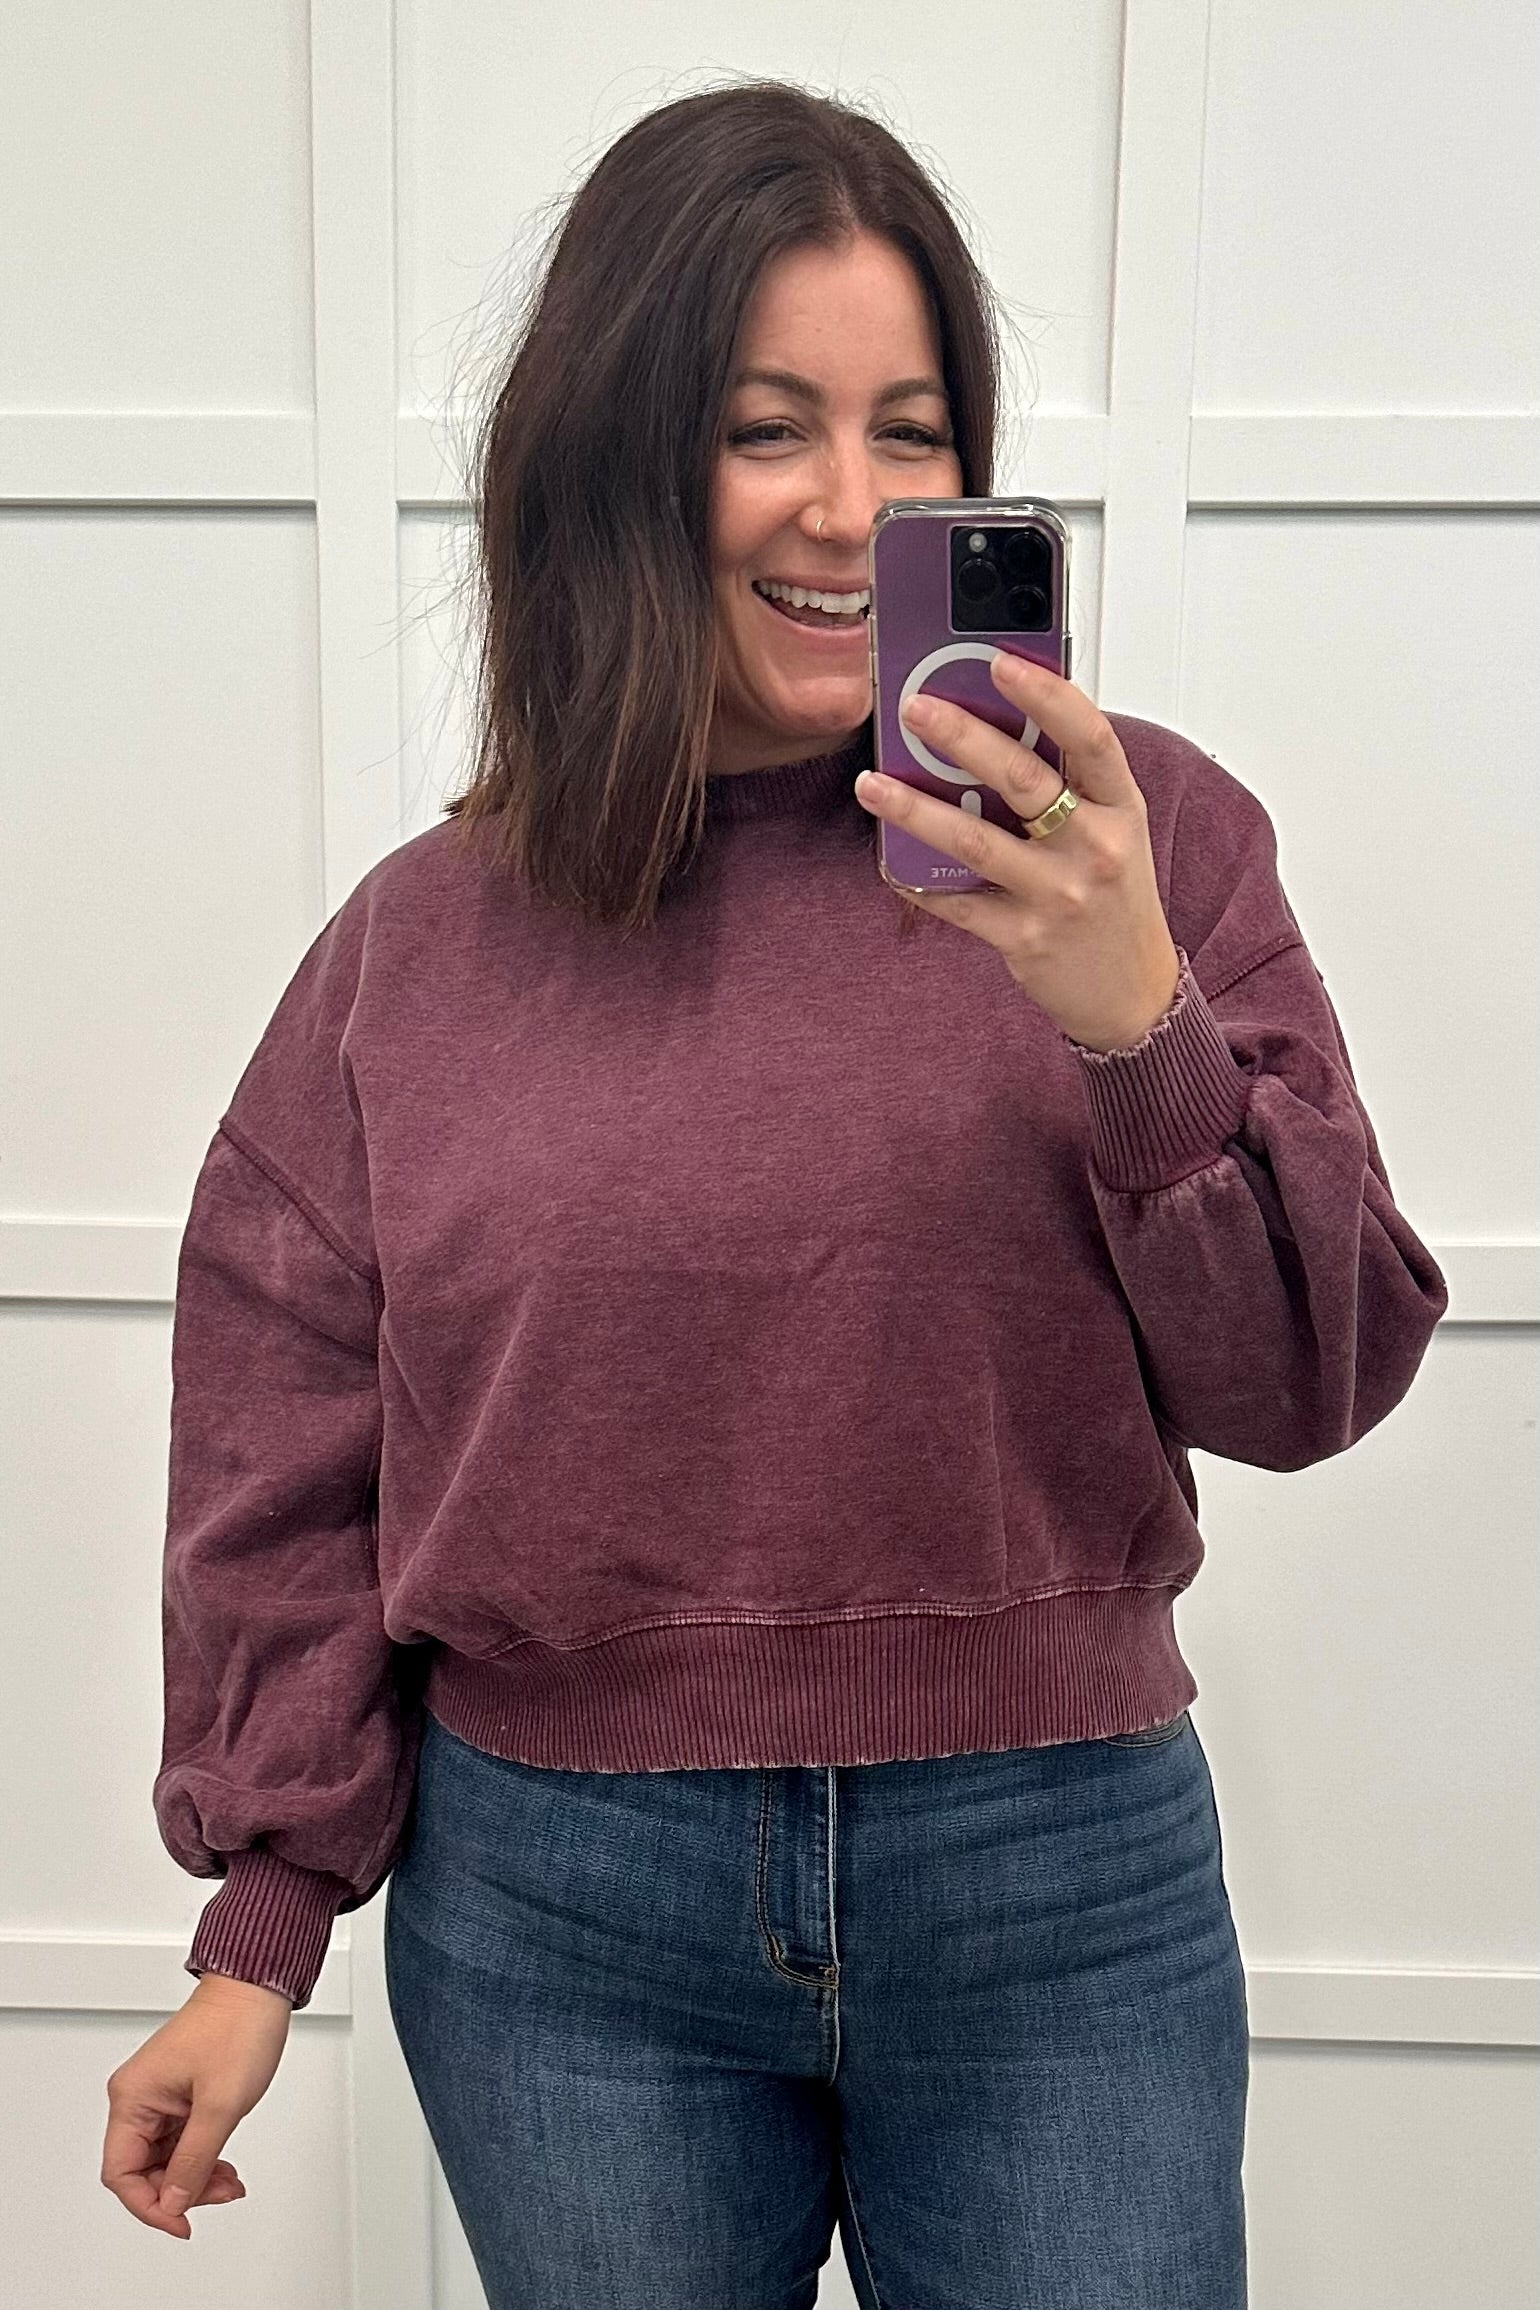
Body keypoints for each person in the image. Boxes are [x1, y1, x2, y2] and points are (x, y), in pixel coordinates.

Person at [101, 81, 1447, 2309]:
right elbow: (282, 1441)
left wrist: (1133, 1018)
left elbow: (1311, 1379)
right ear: (618, 462)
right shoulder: (420, 948)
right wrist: (261, 1925)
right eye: (763, 429)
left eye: (911, 433)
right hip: (560, 1917)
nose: (851, 505)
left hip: (1055, 1879)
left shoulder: (1143, 851)